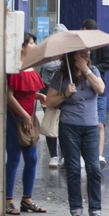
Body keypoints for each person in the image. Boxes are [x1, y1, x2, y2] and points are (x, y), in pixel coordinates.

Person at [46, 49, 107, 216]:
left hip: (90, 127)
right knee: (73, 169)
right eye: (81, 54)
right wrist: (65, 94)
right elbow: (49, 102)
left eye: (87, 53)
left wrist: (85, 70)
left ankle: (95, 212)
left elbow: (101, 89)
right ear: (72, 56)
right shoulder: (61, 75)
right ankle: (76, 211)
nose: (86, 56)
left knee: (94, 168)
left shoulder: (93, 71)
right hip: (69, 126)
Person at [5, 33, 47, 215]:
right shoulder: (14, 68)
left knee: (32, 158)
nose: (34, 45)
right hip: (15, 118)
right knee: (14, 158)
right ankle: (7, 201)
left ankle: (27, 200)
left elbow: (27, 92)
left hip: (29, 118)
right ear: (22, 47)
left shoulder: (31, 68)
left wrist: (38, 95)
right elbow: (9, 97)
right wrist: (24, 116)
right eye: (31, 43)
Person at [81, 19, 109, 170]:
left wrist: (93, 69)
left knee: (100, 123)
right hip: (84, 88)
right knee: (84, 124)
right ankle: (85, 155)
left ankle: (99, 156)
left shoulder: (101, 45)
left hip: (99, 87)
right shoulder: (79, 47)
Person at [40, 24, 68, 168]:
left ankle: (64, 155)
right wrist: (61, 62)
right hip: (47, 87)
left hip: (63, 88)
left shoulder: (69, 48)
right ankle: (53, 155)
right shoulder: (47, 48)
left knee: (64, 122)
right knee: (50, 120)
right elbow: (47, 65)